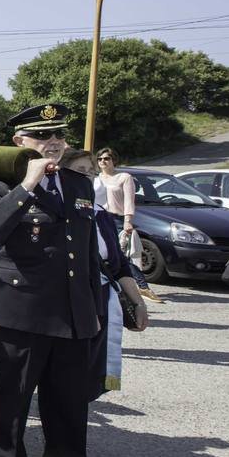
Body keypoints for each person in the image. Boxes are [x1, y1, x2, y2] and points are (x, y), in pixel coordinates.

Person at [0, 103, 143, 457]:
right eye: (40, 136)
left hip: (73, 312)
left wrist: (115, 298)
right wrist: (28, 184)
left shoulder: (78, 182)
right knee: (12, 401)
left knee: (69, 405)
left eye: (58, 136)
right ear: (19, 141)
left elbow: (89, 250)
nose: (52, 143)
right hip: (21, 311)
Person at [59, 149, 148, 401]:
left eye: (91, 172)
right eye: (80, 171)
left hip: (104, 299)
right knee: (69, 377)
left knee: (91, 375)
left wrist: (138, 303)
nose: (88, 177)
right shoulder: (58, 213)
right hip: (72, 303)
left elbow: (118, 265)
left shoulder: (101, 214)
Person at [95, 148, 161, 304]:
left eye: (106, 158)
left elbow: (129, 201)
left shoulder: (124, 177)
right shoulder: (96, 178)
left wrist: (128, 220)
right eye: (100, 159)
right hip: (98, 218)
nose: (103, 161)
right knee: (101, 254)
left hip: (116, 219)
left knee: (122, 255)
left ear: (114, 160)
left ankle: (143, 287)